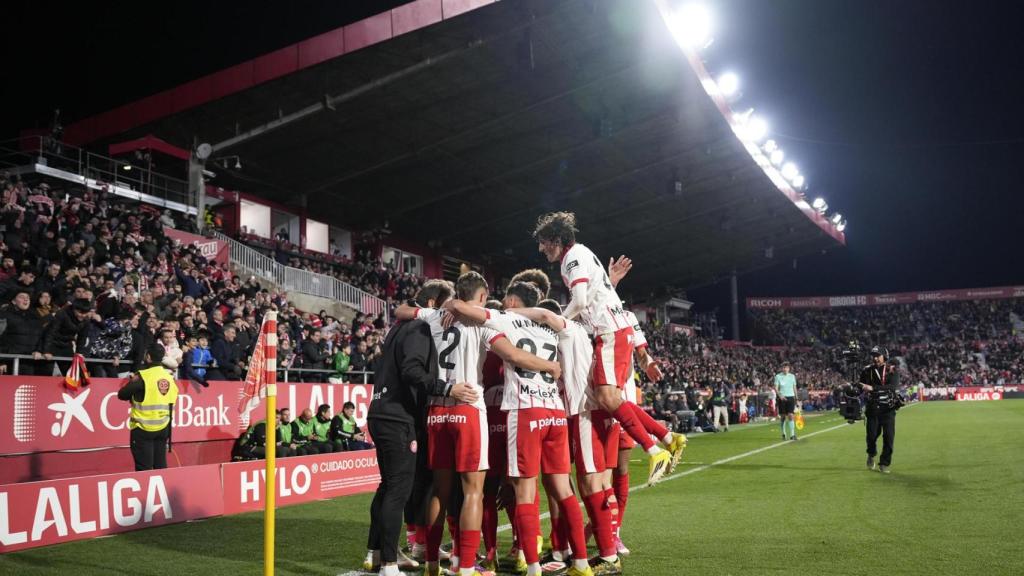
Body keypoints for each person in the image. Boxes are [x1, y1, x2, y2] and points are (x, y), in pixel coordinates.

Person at [534, 212, 685, 485]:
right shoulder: (581, 254)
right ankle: (666, 437)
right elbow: (594, 296)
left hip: (610, 332)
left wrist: (555, 324)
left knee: (605, 398)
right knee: (611, 398)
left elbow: (579, 301)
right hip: (615, 329)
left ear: (557, 239)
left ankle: (654, 450)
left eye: (544, 242)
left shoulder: (573, 257)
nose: (541, 248)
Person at [364, 280, 467, 576]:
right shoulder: (419, 328)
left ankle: (376, 553)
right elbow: (412, 371)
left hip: (381, 411)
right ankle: (388, 564)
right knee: (398, 490)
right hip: (398, 417)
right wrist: (447, 388)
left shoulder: (397, 328)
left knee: (387, 488)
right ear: (434, 304)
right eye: (448, 305)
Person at [117, 346, 179, 471]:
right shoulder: (169, 377)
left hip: (143, 427)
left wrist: (132, 383)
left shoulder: (142, 376)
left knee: (144, 468)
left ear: (148, 357)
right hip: (163, 426)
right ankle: (162, 489)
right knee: (160, 465)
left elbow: (122, 394)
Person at [860, 346, 901, 473]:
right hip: (872, 408)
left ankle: (884, 463)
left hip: (888, 408)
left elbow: (892, 387)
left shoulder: (892, 370)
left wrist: (873, 388)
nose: (875, 358)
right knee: (871, 436)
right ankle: (871, 454)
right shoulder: (867, 370)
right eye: (873, 355)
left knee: (888, 438)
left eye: (878, 355)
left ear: (885, 356)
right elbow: (860, 385)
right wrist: (852, 387)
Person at [0, 290, 44, 375]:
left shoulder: (35, 316)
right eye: (22, 297)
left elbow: (41, 336)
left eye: (27, 298)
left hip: (29, 361)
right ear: (14, 301)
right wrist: (1, 361)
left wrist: (38, 350)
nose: (26, 299)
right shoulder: (4, 314)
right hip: (8, 361)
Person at [773, 362, 798, 440]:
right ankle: (783, 433)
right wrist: (780, 395)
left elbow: (794, 387)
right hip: (782, 398)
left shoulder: (792, 376)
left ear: (789, 368)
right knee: (783, 416)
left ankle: (792, 435)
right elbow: (776, 388)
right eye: (784, 367)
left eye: (786, 367)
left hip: (791, 397)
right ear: (782, 368)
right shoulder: (778, 376)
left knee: (791, 415)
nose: (785, 369)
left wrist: (796, 397)